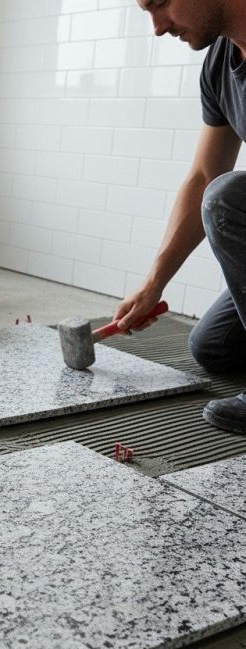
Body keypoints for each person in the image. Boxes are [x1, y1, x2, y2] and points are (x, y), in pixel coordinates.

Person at [118, 0, 246, 433]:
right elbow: (204, 174)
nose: (157, 27)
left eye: (160, 3)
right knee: (214, 346)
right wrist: (154, 283)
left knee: (228, 198)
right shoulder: (220, 63)